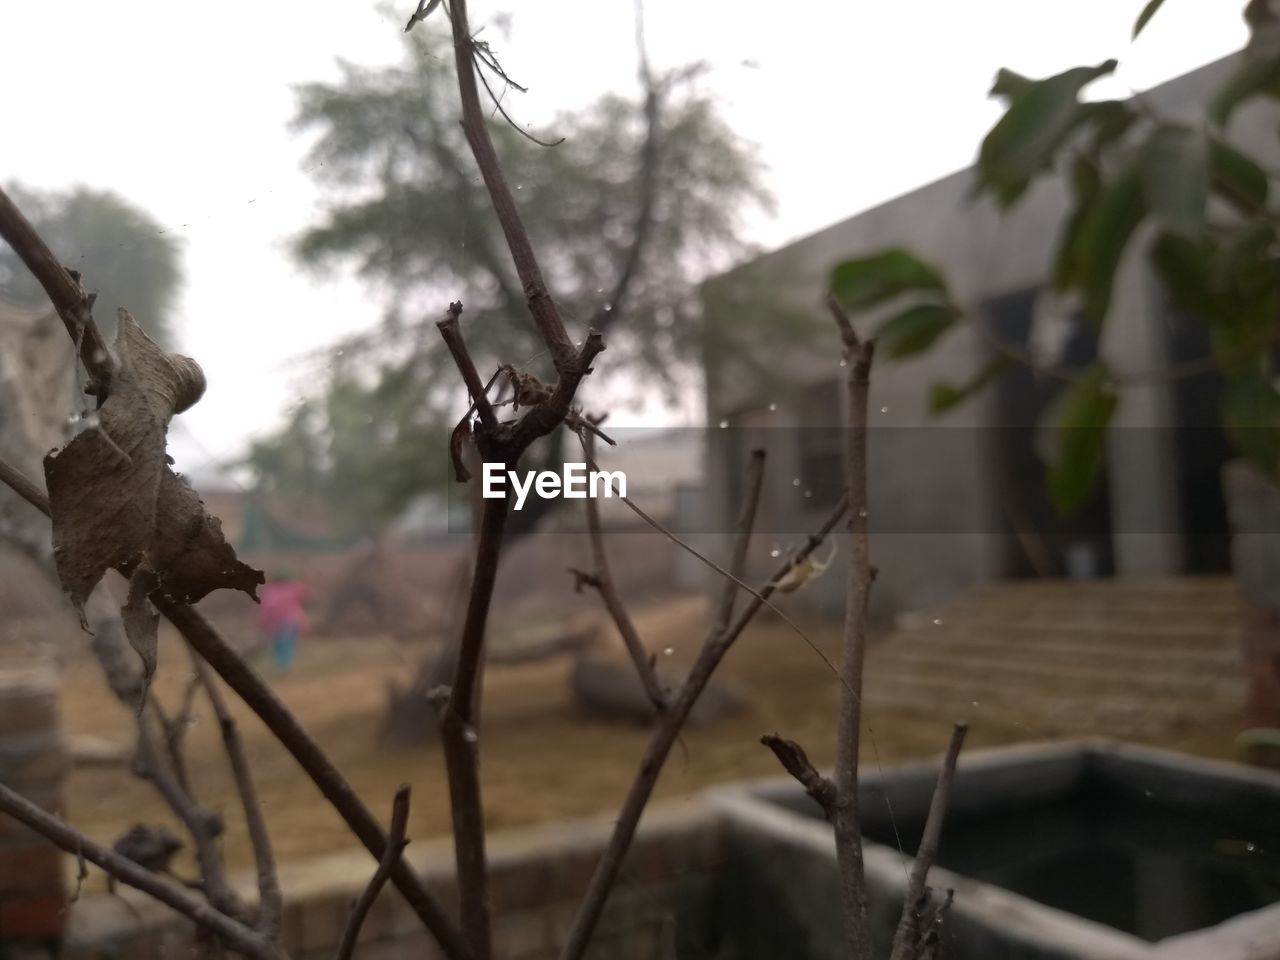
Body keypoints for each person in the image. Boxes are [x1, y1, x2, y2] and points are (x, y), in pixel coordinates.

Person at [258, 570, 311, 674]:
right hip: (290, 621)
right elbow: (305, 592)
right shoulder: (292, 589)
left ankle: (282, 666)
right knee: (287, 643)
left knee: (280, 644)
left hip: (278, 623)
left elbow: (265, 609)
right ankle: (284, 666)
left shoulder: (270, 592)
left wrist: (262, 622)